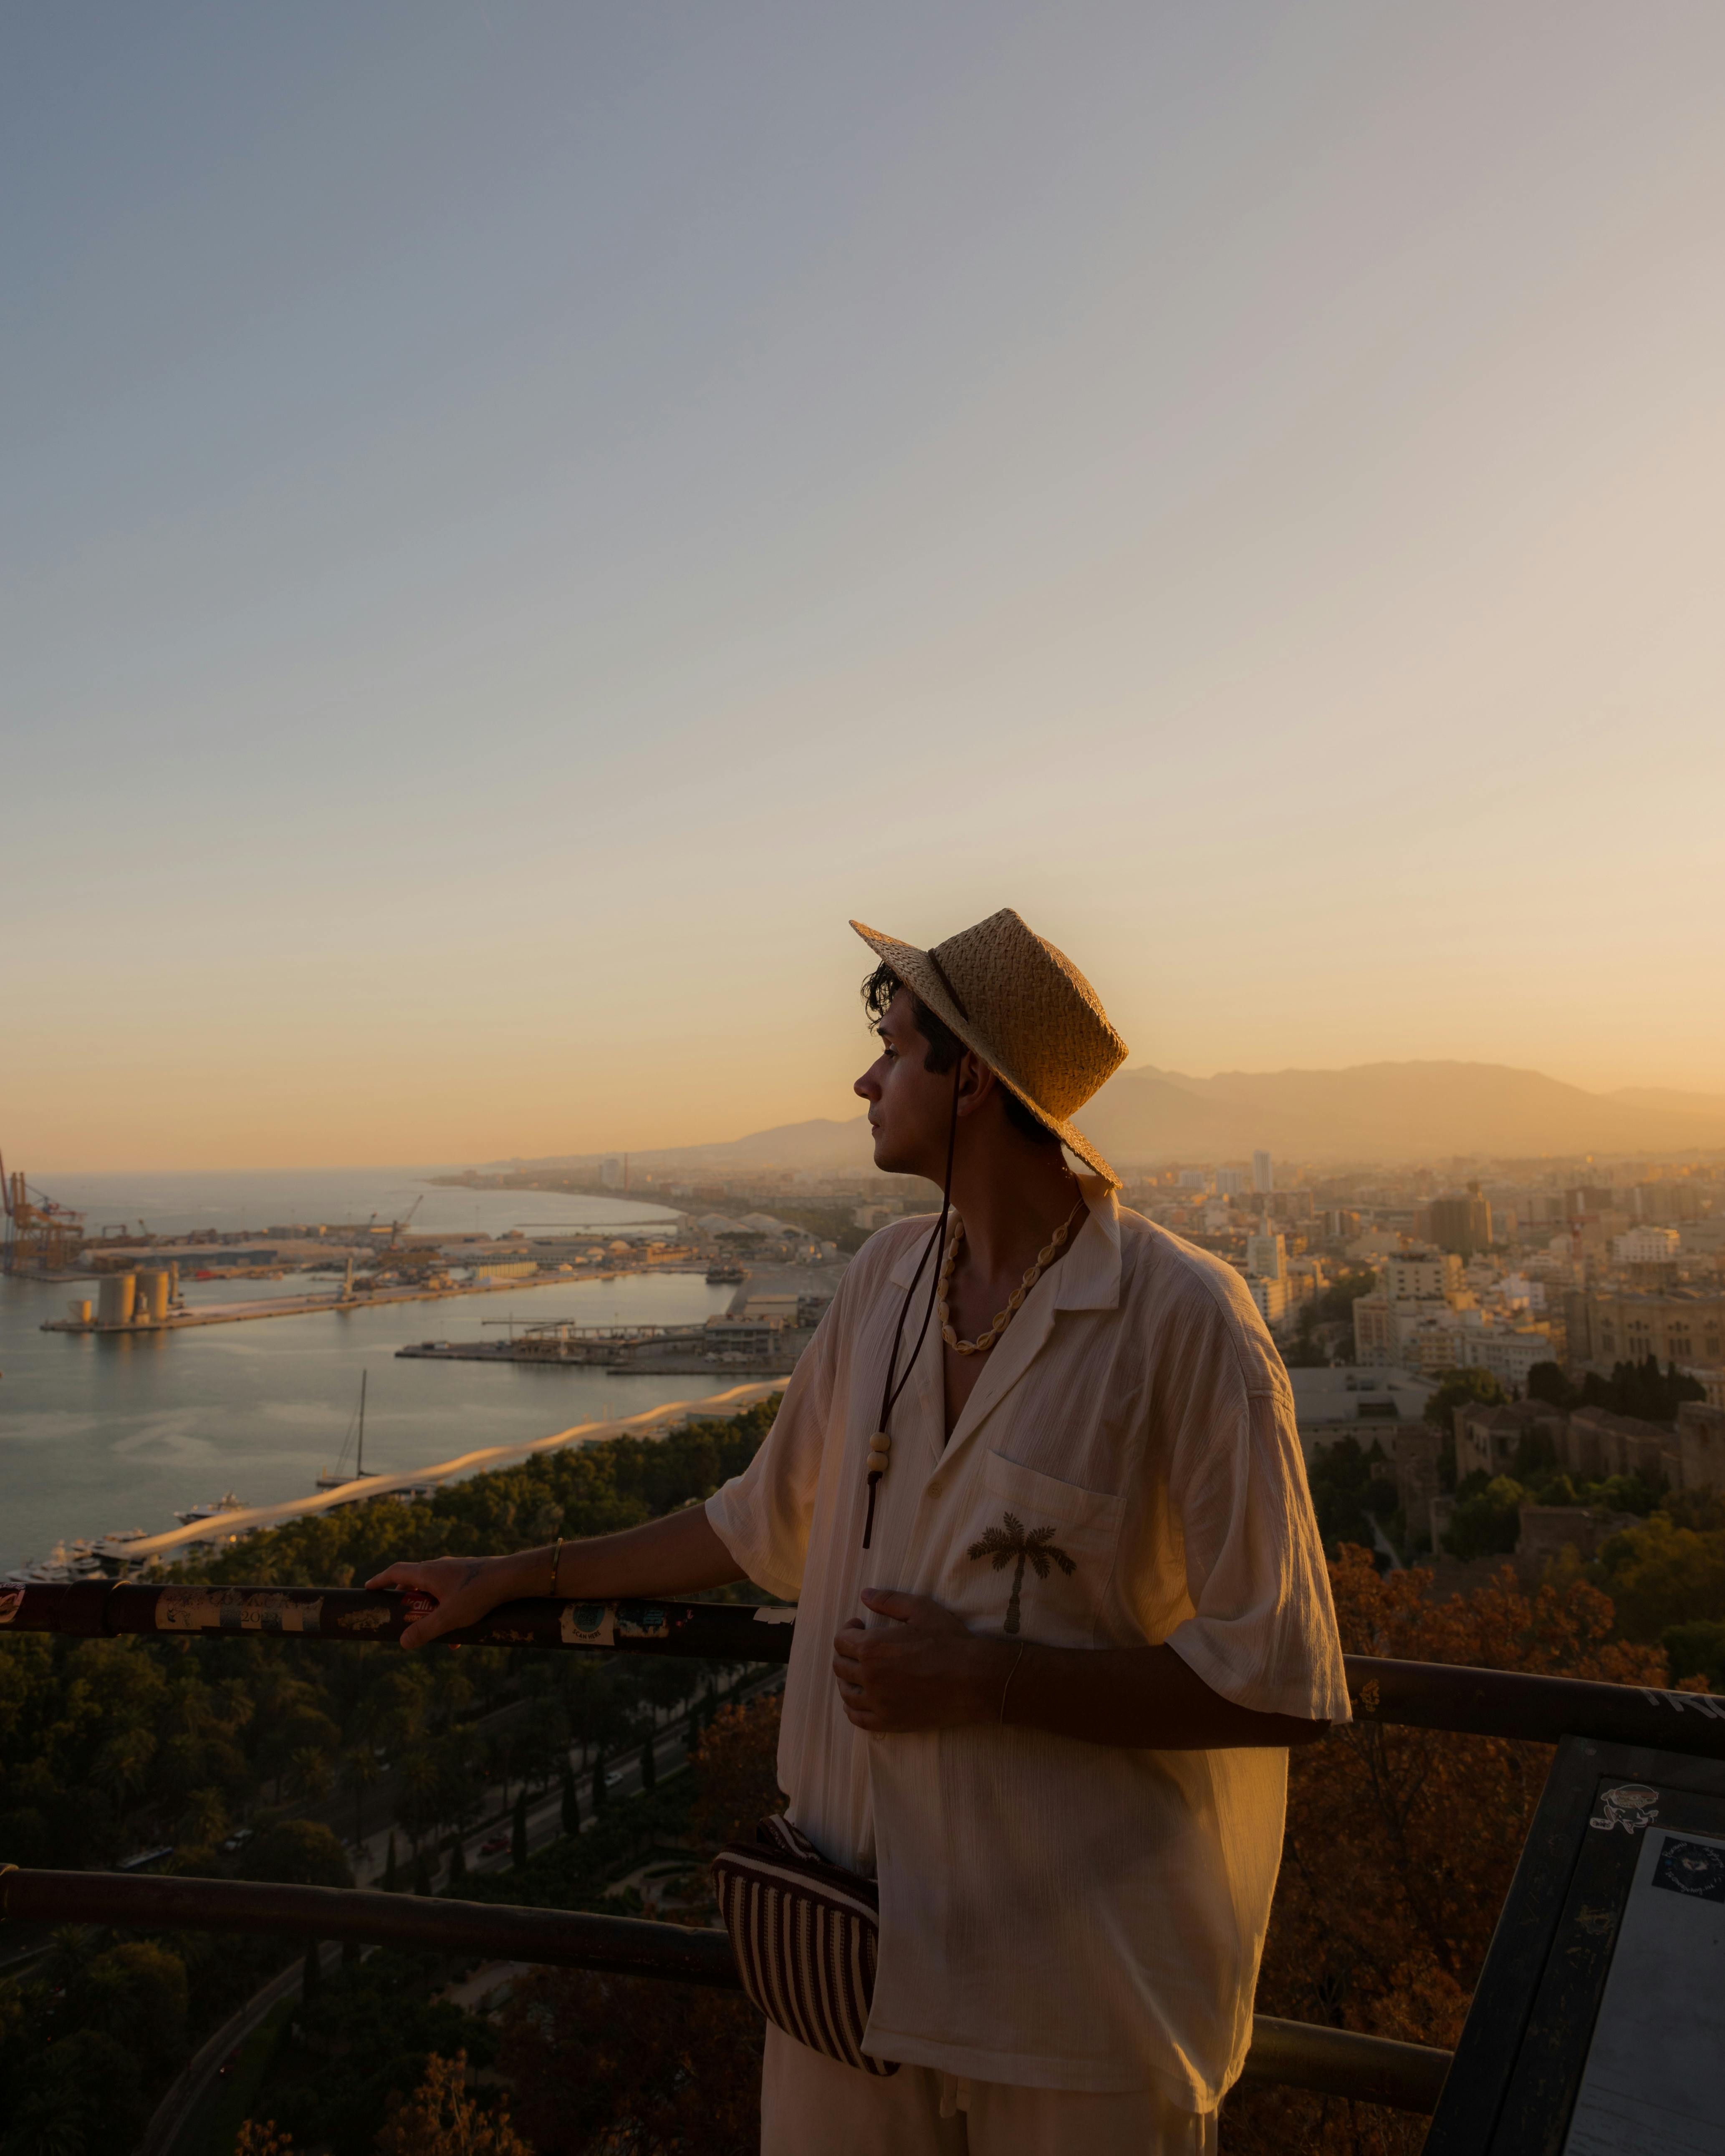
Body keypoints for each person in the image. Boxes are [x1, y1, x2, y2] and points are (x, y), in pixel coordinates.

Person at [369, 907, 1348, 2155]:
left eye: (894, 1048)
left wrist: (992, 1680)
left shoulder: (1187, 1325)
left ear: (974, 1079)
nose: (865, 1077)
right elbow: (752, 1524)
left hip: (1078, 2006)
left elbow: (1282, 1687)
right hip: (849, 1976)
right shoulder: (883, 1282)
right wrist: (509, 1576)